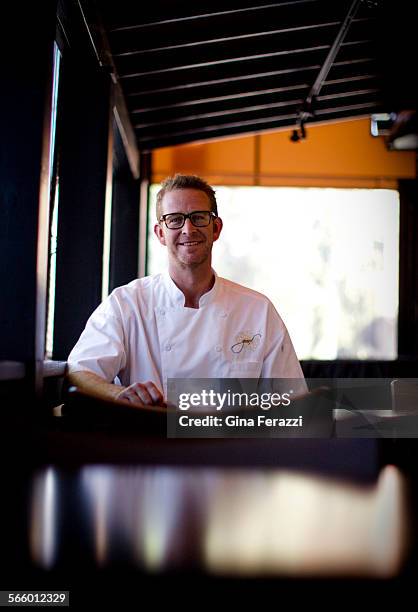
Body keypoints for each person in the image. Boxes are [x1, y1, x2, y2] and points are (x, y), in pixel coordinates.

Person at [67, 174, 306, 407]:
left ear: (216, 228)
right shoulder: (126, 303)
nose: (188, 229)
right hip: (152, 442)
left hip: (231, 444)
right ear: (161, 233)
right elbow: (81, 371)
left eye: (199, 217)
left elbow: (291, 398)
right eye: (174, 219)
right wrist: (119, 395)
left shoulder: (258, 309)